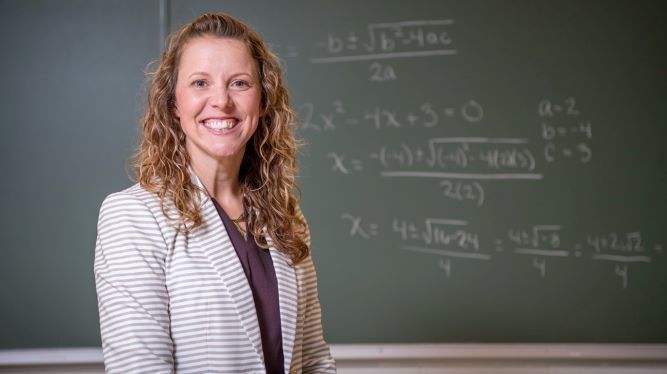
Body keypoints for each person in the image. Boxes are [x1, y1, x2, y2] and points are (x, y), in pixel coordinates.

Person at [94, 13, 336, 373]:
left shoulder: (286, 216)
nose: (221, 101)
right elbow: (140, 367)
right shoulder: (132, 216)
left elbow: (314, 359)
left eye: (239, 83)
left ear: (263, 101)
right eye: (200, 83)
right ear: (174, 103)